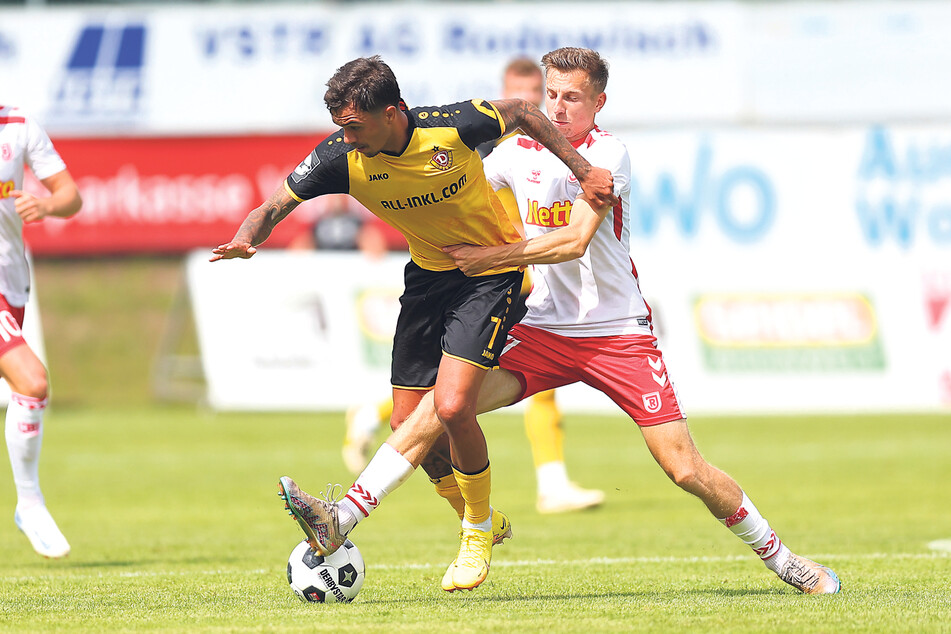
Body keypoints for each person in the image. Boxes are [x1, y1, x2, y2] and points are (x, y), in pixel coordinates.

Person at [281, 47, 842, 596]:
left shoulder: (609, 155)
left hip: (617, 334)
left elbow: (573, 241)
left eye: (572, 97)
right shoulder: (514, 153)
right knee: (439, 411)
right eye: (550, 95)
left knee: (684, 468)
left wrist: (488, 259)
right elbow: (449, 185)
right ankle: (346, 517)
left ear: (599, 102)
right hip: (544, 330)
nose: (558, 107)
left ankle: (787, 561)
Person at [210, 56, 617, 590]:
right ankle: (485, 521)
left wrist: (582, 170)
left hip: (490, 273)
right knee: (409, 428)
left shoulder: (449, 126)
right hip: (427, 283)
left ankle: (473, 533)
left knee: (450, 407)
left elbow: (522, 111)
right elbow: (271, 206)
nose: (346, 138)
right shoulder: (341, 158)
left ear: (394, 113)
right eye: (340, 127)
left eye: (355, 126)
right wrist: (247, 237)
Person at [343, 56, 604, 515]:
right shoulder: (481, 152)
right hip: (496, 276)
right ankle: (546, 483)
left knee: (474, 389)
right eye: (522, 94)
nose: (535, 105)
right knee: (458, 392)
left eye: (535, 94)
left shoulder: (539, 151)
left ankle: (548, 481)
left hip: (523, 274)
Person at [0, 104, 82, 558]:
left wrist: (46, 204)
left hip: (10, 284)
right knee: (31, 380)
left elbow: (70, 195)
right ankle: (29, 501)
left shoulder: (18, 126)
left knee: (28, 387)